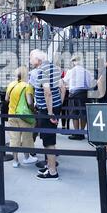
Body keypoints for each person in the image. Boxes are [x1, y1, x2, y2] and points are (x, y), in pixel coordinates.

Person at [30, 49, 66, 180]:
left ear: (38, 60)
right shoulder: (54, 68)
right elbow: (63, 88)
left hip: (46, 111)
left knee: (48, 141)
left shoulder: (42, 71)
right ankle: (50, 165)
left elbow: (47, 92)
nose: (30, 60)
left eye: (31, 57)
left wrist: (51, 113)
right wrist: (59, 106)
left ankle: (52, 171)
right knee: (48, 139)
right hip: (52, 108)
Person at [5, 66, 37, 168]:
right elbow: (29, 102)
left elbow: (6, 99)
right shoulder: (27, 86)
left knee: (14, 138)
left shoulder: (10, 85)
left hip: (11, 114)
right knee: (27, 136)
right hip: (24, 116)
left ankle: (15, 161)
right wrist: (33, 110)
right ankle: (27, 158)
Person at [64, 55, 93, 140]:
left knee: (74, 113)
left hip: (74, 94)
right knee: (83, 113)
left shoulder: (71, 71)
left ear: (73, 62)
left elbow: (65, 81)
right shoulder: (86, 71)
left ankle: (77, 133)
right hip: (84, 93)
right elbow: (89, 84)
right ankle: (82, 132)